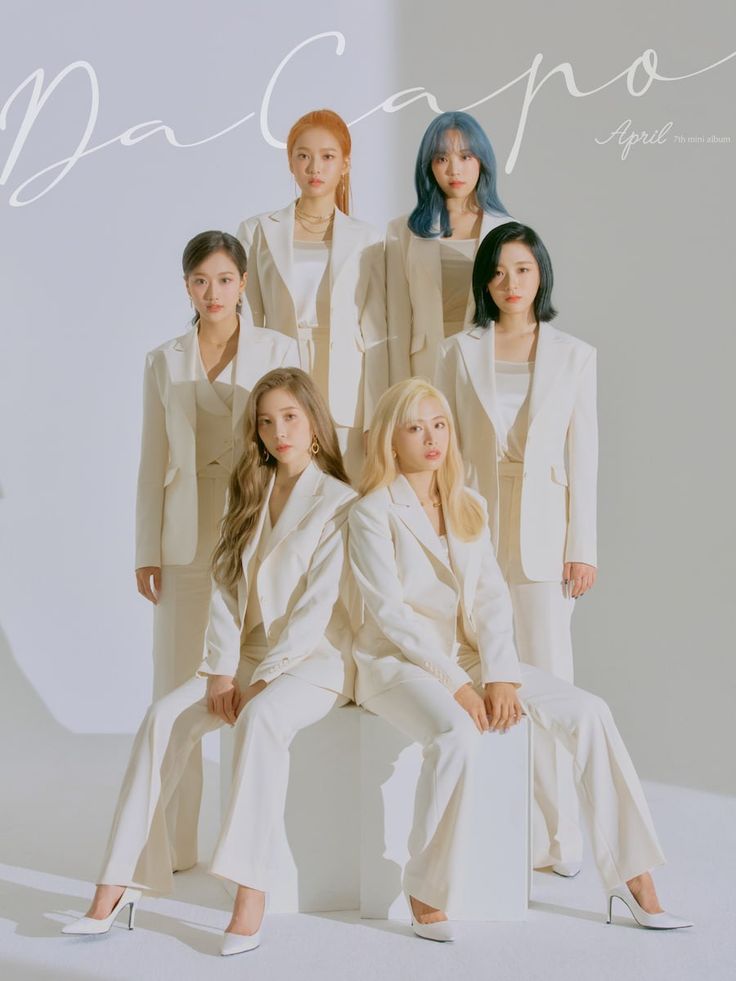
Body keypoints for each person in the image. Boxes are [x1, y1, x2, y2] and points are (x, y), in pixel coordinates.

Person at [348, 378, 690, 941]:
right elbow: (391, 618)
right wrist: (460, 685)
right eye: (414, 427)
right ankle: (426, 885)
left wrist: (501, 675)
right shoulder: (370, 513)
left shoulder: (468, 503)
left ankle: (634, 877)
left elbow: (490, 601)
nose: (430, 438)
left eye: (438, 424)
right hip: (396, 664)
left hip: (473, 658)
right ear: (391, 439)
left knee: (590, 711)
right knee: (457, 735)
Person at [63, 368, 357, 956]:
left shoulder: (340, 501)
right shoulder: (248, 488)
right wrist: (222, 671)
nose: (279, 432)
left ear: (315, 423)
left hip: (315, 659)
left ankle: (251, 892)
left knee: (261, 721)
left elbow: (317, 607)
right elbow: (225, 587)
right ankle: (115, 885)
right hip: (244, 656)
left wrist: (263, 682)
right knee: (164, 719)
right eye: (267, 421)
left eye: (291, 418)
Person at [134, 230, 298, 872]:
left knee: (251, 688)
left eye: (225, 279)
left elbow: (293, 444)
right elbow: (151, 463)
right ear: (186, 286)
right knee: (176, 688)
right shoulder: (161, 360)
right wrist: (147, 548)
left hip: (253, 529)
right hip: (181, 534)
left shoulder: (278, 350)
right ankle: (174, 846)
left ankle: (253, 850)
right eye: (201, 280)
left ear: (244, 284)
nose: (213, 292)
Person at [436, 221, 595, 875]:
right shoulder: (457, 351)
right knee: (484, 676)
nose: (510, 283)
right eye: (498, 272)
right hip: (474, 533)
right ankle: (510, 827)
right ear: (485, 281)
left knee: (550, 680)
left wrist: (582, 546)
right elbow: (441, 452)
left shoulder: (575, 355)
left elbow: (584, 456)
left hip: (544, 541)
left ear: (541, 276)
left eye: (523, 270)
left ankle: (564, 837)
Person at [237, 109, 388, 481]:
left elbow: (378, 333)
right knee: (283, 497)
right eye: (303, 156)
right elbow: (248, 320)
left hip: (346, 390)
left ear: (345, 164)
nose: (314, 167)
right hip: (280, 375)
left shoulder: (369, 238)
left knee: (344, 498)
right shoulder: (257, 232)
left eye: (327, 156)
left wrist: (376, 417)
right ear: (290, 162)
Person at [386, 111, 511, 383]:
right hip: (424, 368)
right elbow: (396, 320)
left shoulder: (507, 230)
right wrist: (400, 389)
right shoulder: (402, 231)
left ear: (482, 161)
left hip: (486, 367)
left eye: (465, 157)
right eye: (442, 158)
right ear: (428, 166)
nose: (454, 170)